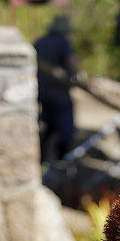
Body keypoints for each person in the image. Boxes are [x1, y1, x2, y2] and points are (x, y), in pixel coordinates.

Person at [34, 15, 77, 161]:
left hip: (42, 92)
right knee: (66, 128)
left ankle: (42, 160)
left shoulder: (39, 42)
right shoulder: (62, 42)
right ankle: (61, 160)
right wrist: (74, 78)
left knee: (48, 125)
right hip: (59, 92)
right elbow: (71, 62)